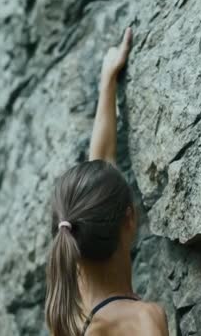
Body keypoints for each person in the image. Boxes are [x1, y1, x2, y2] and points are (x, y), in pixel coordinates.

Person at [44, 27, 169, 336]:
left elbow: (101, 165)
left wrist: (108, 81)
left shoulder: (71, 313)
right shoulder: (143, 321)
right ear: (130, 218)